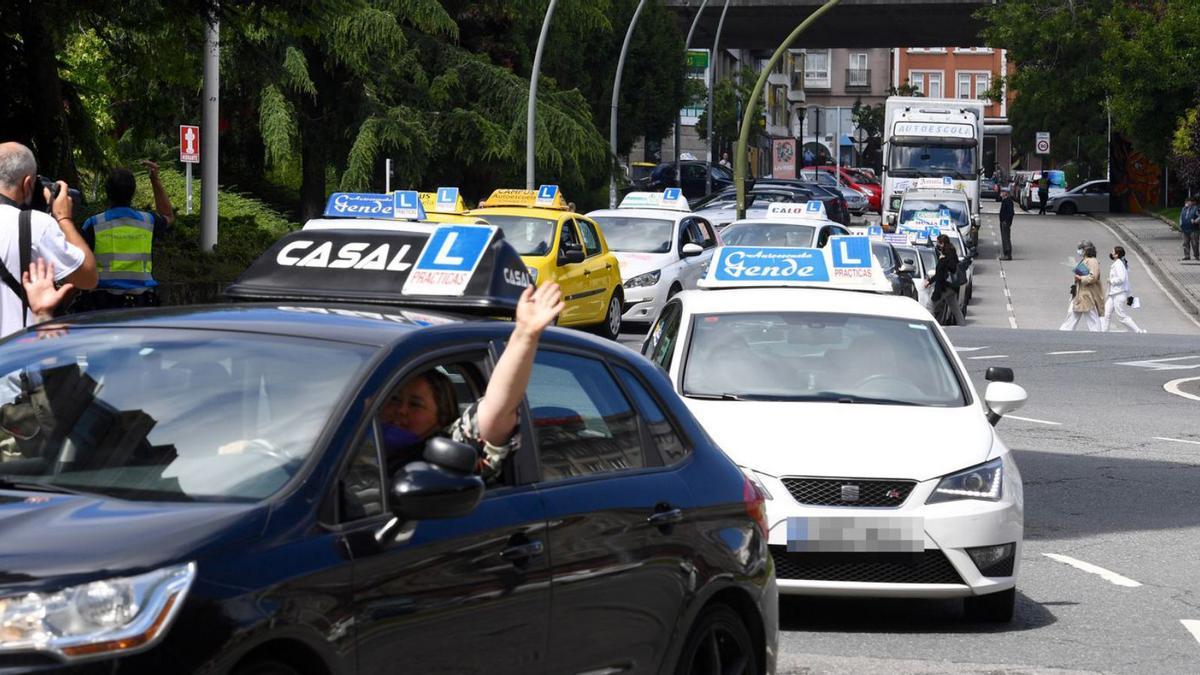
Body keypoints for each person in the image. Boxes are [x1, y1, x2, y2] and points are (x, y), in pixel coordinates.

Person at [378, 281, 564, 480]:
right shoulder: (354, 438)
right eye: (395, 400)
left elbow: (496, 410)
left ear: (441, 417)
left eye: (416, 404)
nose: (401, 410)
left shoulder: (450, 449)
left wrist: (524, 336)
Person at [0, 142, 98, 337]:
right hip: (16, 358)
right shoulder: (32, 225)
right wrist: (63, 218)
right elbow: (88, 278)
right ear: (28, 183)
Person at [78, 161, 175, 310]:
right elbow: (168, 215)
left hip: (102, 305)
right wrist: (154, 180)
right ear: (133, 192)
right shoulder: (148, 221)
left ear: (107, 192)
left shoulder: (93, 224)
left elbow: (79, 264)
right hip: (142, 304)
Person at [1060, 242, 1104, 331]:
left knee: (1091, 316)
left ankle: (1097, 336)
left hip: (1087, 293)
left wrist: (1080, 278)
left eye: (1081, 249)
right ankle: (1064, 332)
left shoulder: (1092, 261)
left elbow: (1093, 277)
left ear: (1086, 250)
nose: (1079, 251)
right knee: (1073, 314)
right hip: (1080, 292)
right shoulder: (1085, 260)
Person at [1101, 246, 1146, 333]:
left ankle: (1138, 331)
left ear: (1117, 255)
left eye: (1113, 252)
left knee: (1121, 316)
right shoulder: (1118, 263)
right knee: (1106, 313)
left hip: (1119, 293)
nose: (1111, 253)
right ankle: (1103, 332)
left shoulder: (1119, 264)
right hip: (1113, 294)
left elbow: (1122, 279)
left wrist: (1111, 280)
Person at [926, 234, 964, 326]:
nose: (937, 245)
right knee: (955, 308)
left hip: (945, 286)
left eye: (938, 243)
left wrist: (942, 260)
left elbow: (940, 274)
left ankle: (932, 326)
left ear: (942, 243)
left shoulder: (946, 256)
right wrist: (930, 281)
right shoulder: (952, 253)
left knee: (930, 305)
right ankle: (963, 326)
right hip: (952, 287)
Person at [998, 189, 1015, 260]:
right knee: (1004, 238)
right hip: (1003, 222)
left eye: (1002, 192)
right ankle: (1006, 253)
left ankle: (1007, 254)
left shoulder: (1008, 201)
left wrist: (1006, 220)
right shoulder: (1004, 200)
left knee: (1006, 238)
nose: (1001, 194)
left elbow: (1011, 213)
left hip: (1005, 222)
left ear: (1006, 193)